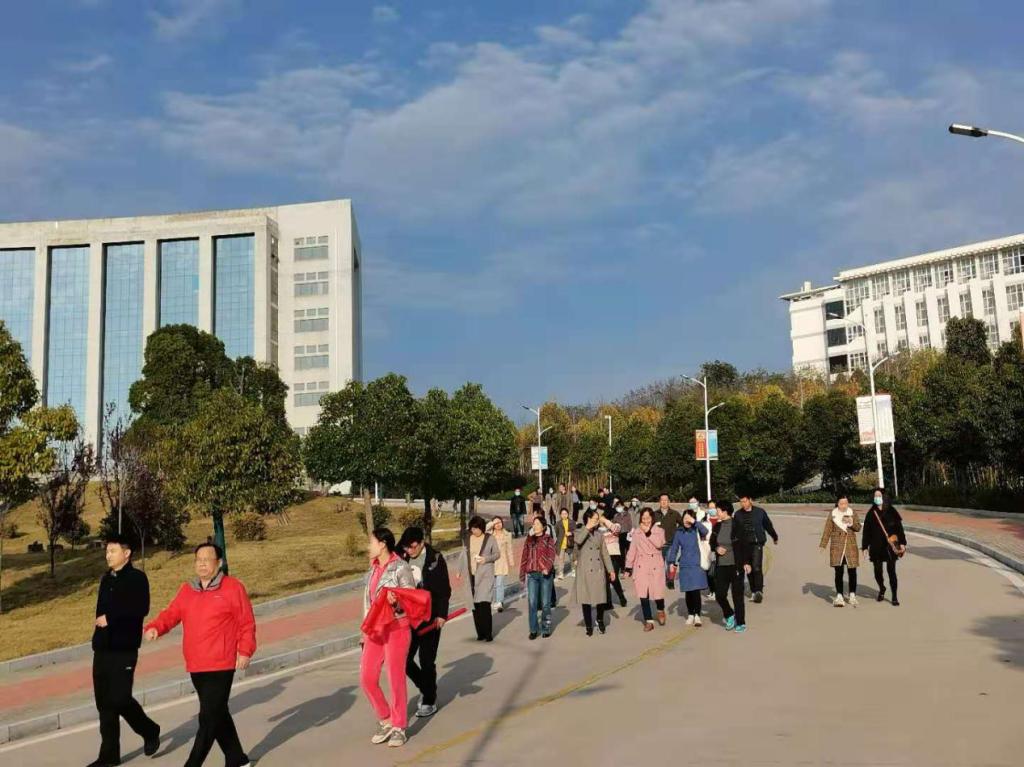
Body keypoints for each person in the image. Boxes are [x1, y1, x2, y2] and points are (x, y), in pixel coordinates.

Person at [144, 543, 256, 766]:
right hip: (196, 664)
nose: (202, 563)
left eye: (207, 559)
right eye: (198, 559)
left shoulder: (232, 587)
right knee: (217, 714)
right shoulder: (188, 590)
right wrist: (155, 627)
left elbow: (246, 622)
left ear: (219, 563)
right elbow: (171, 613)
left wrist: (245, 651)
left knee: (207, 718)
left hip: (221, 664)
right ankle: (237, 760)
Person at [88, 534, 161, 767]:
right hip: (103, 647)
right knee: (104, 703)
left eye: (112, 551)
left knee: (120, 698)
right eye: (107, 551)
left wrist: (111, 618)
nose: (108, 555)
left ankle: (149, 730)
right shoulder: (106, 579)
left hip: (124, 648)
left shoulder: (137, 578)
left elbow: (141, 608)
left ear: (126, 553)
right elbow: (99, 612)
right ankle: (108, 756)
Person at [356, 527, 422, 748]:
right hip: (375, 630)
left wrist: (397, 602)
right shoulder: (373, 570)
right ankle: (385, 718)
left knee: (395, 678)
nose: (369, 546)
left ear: (382, 544)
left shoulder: (400, 567)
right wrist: (364, 632)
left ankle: (399, 726)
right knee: (367, 677)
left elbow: (412, 599)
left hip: (396, 627)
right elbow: (368, 602)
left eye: (371, 542)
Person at [398, 527, 451, 719]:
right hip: (408, 618)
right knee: (404, 659)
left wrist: (442, 615)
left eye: (413, 547)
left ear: (422, 543)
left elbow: (444, 589)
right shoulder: (401, 557)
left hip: (430, 617)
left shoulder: (435, 559)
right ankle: (426, 687)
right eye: (406, 547)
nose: (409, 550)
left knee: (426, 660)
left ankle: (429, 700)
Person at [861, 488, 907, 606]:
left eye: (879, 496)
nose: (877, 498)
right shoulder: (871, 513)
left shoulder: (892, 511)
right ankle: (882, 588)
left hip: (890, 546)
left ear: (884, 497)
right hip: (876, 546)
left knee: (891, 571)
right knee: (877, 571)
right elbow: (866, 532)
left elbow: (899, 529)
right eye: (875, 496)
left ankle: (894, 596)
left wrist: (902, 543)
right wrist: (864, 547)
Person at [574, 509, 616, 635]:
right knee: (586, 598)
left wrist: (611, 570)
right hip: (585, 570)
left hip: (598, 569)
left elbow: (605, 553)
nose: (597, 521)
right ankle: (588, 625)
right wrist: (587, 528)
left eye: (598, 519)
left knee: (601, 597)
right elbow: (578, 541)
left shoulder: (599, 535)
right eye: (595, 519)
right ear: (588, 519)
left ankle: (600, 619)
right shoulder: (579, 531)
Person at [625, 508, 666, 631]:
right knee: (643, 594)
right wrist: (628, 567)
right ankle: (648, 620)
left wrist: (648, 532)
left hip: (655, 564)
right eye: (643, 518)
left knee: (658, 593)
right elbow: (632, 550)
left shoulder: (659, 531)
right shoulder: (637, 532)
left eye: (648, 518)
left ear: (652, 518)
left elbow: (659, 544)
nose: (646, 521)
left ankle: (660, 609)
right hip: (641, 565)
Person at [667, 509, 709, 626]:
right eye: (685, 518)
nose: (686, 520)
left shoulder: (696, 529)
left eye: (689, 518)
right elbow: (674, 548)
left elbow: (705, 531)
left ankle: (697, 615)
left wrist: (694, 522)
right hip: (685, 565)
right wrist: (671, 562)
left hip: (696, 564)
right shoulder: (679, 532)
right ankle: (690, 614)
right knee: (688, 592)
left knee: (696, 591)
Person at [733, 494, 779, 602]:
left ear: (750, 500)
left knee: (756, 567)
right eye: (741, 502)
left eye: (745, 501)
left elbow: (768, 525)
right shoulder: (738, 514)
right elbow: (735, 531)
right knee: (748, 568)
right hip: (743, 545)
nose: (743, 504)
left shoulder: (760, 512)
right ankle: (753, 591)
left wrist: (774, 536)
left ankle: (759, 591)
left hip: (757, 543)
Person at [819, 495, 862, 607]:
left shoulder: (852, 513)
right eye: (841, 503)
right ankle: (839, 596)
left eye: (846, 503)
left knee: (852, 571)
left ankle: (852, 595)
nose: (844, 506)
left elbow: (858, 527)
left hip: (850, 545)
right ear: (837, 504)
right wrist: (823, 544)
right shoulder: (833, 514)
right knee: (839, 572)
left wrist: (851, 523)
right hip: (837, 546)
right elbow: (827, 530)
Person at [709, 502, 745, 631]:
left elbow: (745, 545)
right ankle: (729, 614)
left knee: (737, 596)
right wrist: (716, 548)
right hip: (721, 566)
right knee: (720, 595)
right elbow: (712, 542)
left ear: (725, 512)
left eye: (718, 510)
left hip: (736, 566)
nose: (716, 512)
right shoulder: (717, 526)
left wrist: (746, 563)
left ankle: (740, 622)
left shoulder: (737, 525)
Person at [520, 516, 557, 639]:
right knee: (532, 603)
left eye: (537, 523)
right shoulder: (529, 540)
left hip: (545, 575)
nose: (534, 526)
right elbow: (524, 557)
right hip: (532, 575)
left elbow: (552, 555)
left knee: (546, 603)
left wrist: (547, 567)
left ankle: (546, 628)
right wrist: (522, 575)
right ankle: (533, 629)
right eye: (533, 524)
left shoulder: (548, 539)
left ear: (543, 526)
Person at [467, 516, 500, 640]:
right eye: (472, 529)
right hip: (472, 576)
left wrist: (486, 559)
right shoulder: (468, 538)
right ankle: (480, 633)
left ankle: (488, 633)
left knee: (484, 604)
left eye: (476, 528)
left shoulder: (489, 538)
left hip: (485, 575)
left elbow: (497, 554)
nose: (474, 531)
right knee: (475, 605)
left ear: (481, 528)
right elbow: (464, 555)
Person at [600, 512, 628, 608]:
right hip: (603, 556)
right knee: (605, 580)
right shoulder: (598, 530)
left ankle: (621, 597)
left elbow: (616, 529)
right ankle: (608, 602)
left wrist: (604, 520)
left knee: (614, 578)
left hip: (614, 556)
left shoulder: (616, 526)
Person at [486, 516, 515, 612]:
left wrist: (511, 562)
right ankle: (494, 601)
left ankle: (499, 602)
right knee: (492, 584)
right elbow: (485, 528)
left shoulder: (507, 535)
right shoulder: (490, 534)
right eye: (496, 523)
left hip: (502, 561)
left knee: (500, 583)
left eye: (499, 522)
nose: (498, 524)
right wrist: (492, 523)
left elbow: (509, 549)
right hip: (491, 562)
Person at [656, 494, 683, 589]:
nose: (664, 502)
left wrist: (677, 533)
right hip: (658, 545)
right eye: (662, 500)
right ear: (659, 502)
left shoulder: (674, 514)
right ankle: (661, 580)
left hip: (671, 543)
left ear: (669, 502)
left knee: (670, 563)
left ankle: (670, 581)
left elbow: (682, 524)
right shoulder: (655, 514)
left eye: (666, 500)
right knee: (659, 564)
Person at [554, 508, 574, 579]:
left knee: (572, 557)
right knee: (561, 559)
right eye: (562, 514)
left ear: (568, 514)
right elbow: (556, 532)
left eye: (565, 513)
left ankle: (573, 570)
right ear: (560, 515)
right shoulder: (558, 523)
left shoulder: (572, 522)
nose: (564, 515)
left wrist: (571, 533)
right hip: (561, 543)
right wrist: (560, 538)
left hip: (570, 543)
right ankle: (561, 573)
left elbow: (576, 531)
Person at [613, 501, 634, 570]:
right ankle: (622, 567)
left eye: (620, 506)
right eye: (617, 506)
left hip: (627, 535)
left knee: (629, 552)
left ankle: (629, 567)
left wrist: (630, 532)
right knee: (621, 552)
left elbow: (630, 525)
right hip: (619, 535)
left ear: (623, 506)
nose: (618, 508)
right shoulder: (616, 516)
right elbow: (613, 525)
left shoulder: (628, 514)